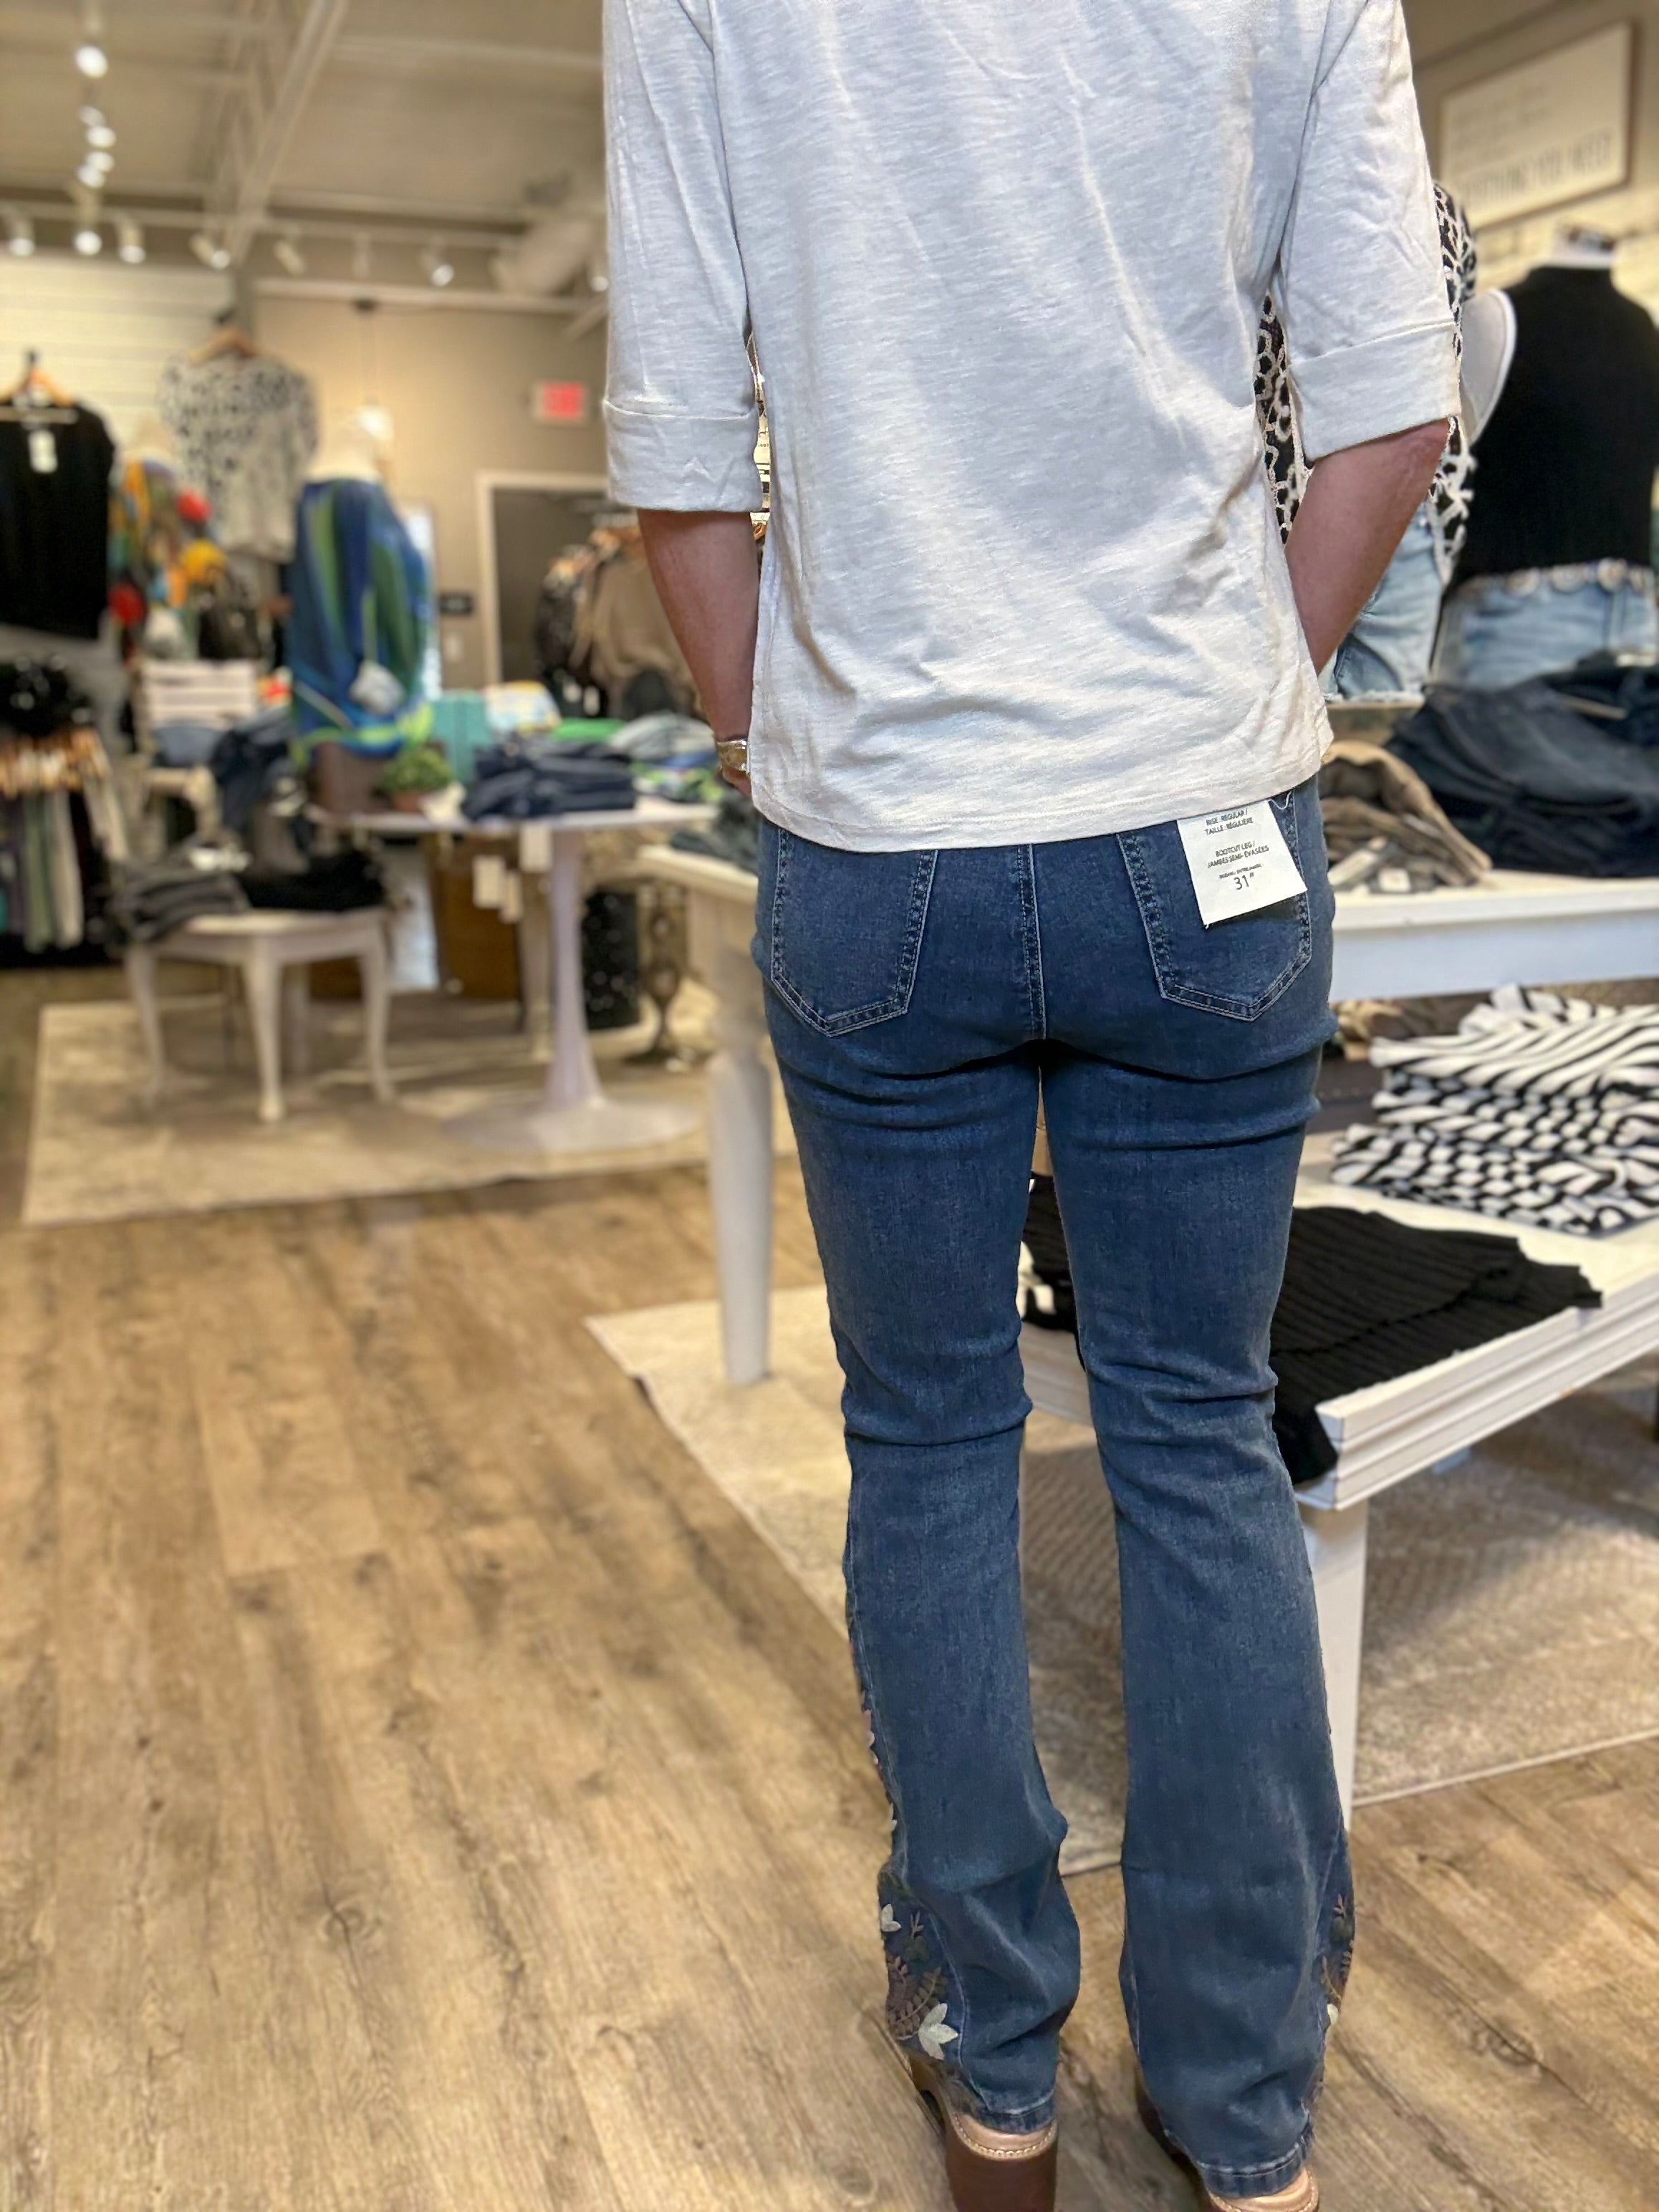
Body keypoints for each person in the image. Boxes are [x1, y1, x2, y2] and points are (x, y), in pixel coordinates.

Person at [603, 5, 1456, 2208]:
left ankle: (995, 2070)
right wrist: (1236, 694)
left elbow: (680, 457)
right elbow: (1390, 408)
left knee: (925, 1440)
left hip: (879, 834)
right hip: (1200, 824)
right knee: (1195, 1435)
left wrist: (782, 751)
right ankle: (1243, 2109)